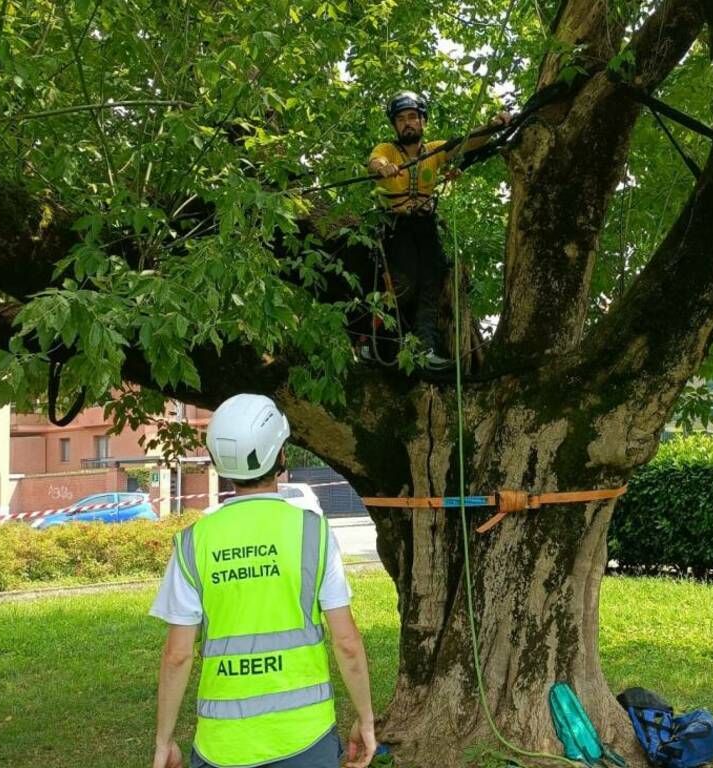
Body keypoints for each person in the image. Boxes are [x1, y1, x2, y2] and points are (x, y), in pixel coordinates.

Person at [150, 394, 375, 768]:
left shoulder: (194, 543)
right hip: (307, 740)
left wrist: (164, 741)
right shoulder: (313, 533)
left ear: (218, 462)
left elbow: (178, 655)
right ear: (281, 456)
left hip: (222, 747)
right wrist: (366, 720)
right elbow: (346, 643)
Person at [365, 90, 509, 367]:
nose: (407, 123)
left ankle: (425, 349)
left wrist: (494, 125)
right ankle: (375, 343)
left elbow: (467, 143)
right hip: (396, 226)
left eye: (412, 117)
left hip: (425, 226)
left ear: (422, 121)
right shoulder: (387, 150)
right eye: (401, 119)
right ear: (395, 125)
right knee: (402, 285)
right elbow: (376, 161)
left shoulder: (434, 151)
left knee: (432, 283)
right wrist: (384, 168)